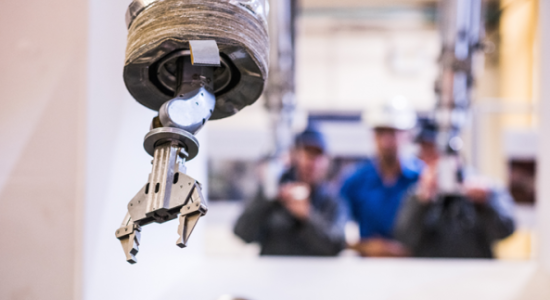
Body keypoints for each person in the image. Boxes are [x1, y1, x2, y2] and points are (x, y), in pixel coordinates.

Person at [393, 118, 515, 258]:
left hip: (476, 275)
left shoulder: (483, 188)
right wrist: (421, 203)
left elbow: (506, 232)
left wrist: (485, 204)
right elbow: (403, 239)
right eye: (424, 153)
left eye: (433, 151)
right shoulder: (417, 193)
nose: (429, 160)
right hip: (429, 275)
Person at [233, 127, 347, 256]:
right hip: (273, 274)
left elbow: (337, 247)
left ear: (326, 161)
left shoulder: (333, 203)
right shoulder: (273, 195)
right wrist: (268, 197)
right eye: (306, 153)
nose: (311, 162)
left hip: (315, 275)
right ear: (293, 156)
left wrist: (306, 216)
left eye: (317, 155)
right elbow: (242, 233)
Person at [340, 98, 423, 257]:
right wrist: (368, 247)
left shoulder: (423, 180)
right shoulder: (355, 181)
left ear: (407, 134)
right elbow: (336, 232)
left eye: (392, 132)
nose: (386, 141)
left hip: (415, 269)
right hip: (368, 270)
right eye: (380, 132)